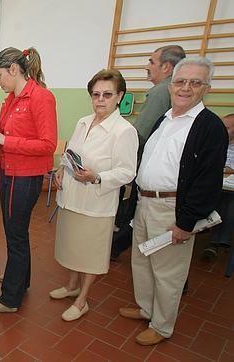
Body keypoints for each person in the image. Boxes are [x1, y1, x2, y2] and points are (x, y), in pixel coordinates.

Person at [119, 57, 228, 346]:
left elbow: (207, 182)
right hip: (144, 203)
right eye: (180, 81)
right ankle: (146, 308)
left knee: (168, 272)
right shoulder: (164, 120)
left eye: (195, 82)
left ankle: (162, 325)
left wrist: (186, 222)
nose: (185, 88)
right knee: (141, 260)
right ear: (171, 86)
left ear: (206, 88)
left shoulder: (210, 127)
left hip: (172, 209)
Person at [51, 69, 138, 321]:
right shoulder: (83, 121)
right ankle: (71, 286)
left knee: (90, 253)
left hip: (96, 201)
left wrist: (97, 177)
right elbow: (71, 153)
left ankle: (82, 299)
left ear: (119, 96)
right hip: (71, 196)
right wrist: (60, 168)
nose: (100, 99)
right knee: (72, 246)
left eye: (107, 94)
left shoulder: (124, 131)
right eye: (96, 94)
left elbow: (127, 172)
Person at [0, 47, 57, 313]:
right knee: (16, 233)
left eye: (0, 76)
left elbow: (48, 144)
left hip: (25, 178)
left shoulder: (41, 97)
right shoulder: (10, 99)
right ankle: (20, 279)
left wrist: (6, 140)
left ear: (14, 70)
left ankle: (9, 299)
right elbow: (1, 144)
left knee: (15, 236)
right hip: (9, 174)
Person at [111, 45, 186, 260]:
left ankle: (116, 247)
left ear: (166, 66)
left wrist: (116, 145)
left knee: (135, 210)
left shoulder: (162, 91)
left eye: (152, 62)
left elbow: (139, 133)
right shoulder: (170, 91)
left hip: (152, 169)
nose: (147, 66)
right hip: (166, 171)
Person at [201, 113, 234, 260]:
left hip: (228, 188)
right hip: (212, 183)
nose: (222, 131)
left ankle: (217, 242)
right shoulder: (214, 142)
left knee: (228, 203)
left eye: (226, 128)